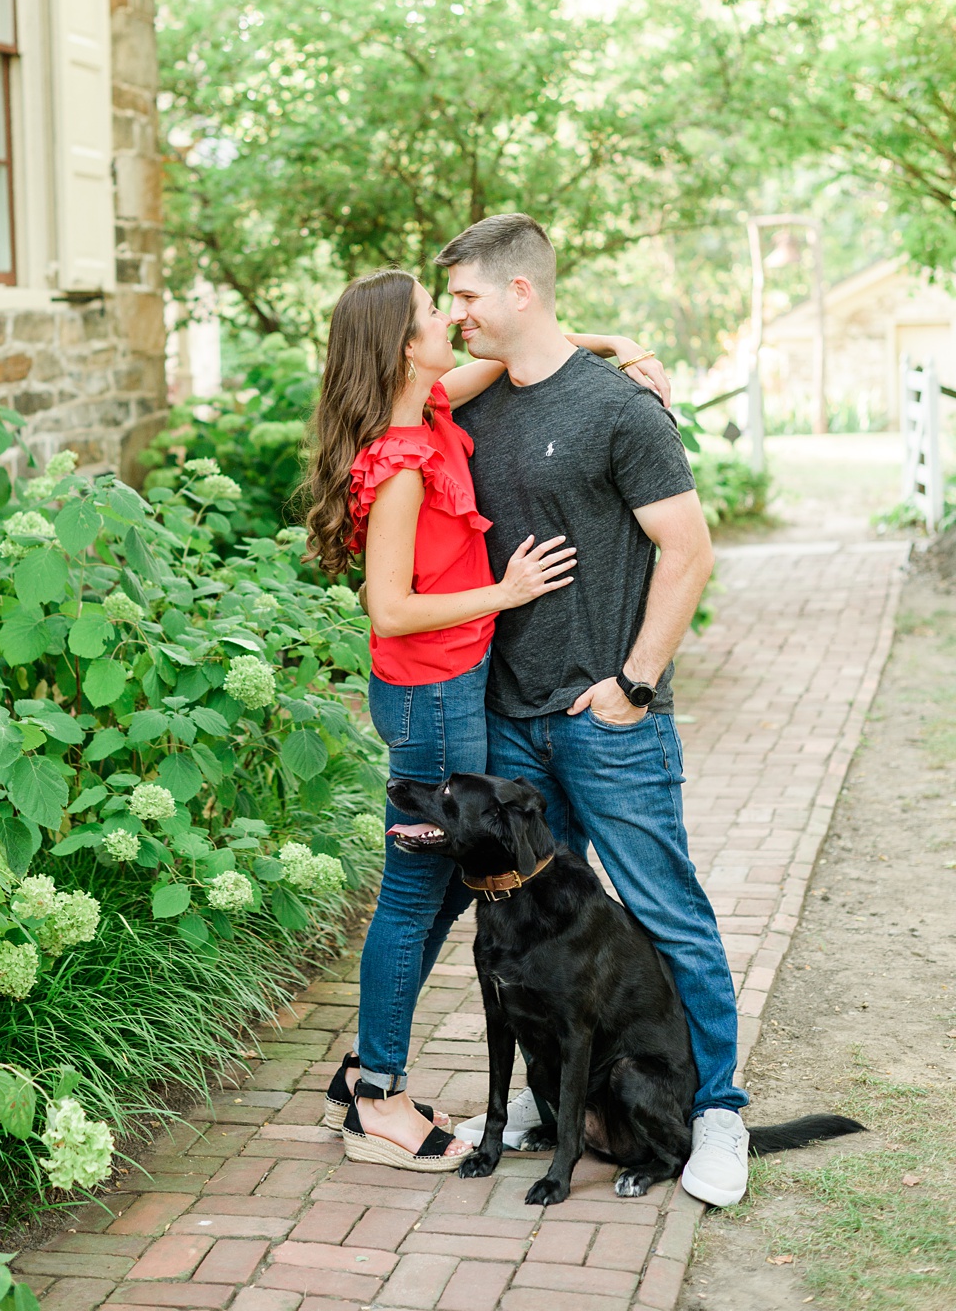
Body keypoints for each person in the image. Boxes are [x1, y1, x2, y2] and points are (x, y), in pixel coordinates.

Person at [302, 269, 653, 1170]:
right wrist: (506, 590)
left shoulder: (427, 410)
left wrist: (607, 347)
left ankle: (364, 1071)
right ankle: (377, 1094)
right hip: (430, 700)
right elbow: (387, 608)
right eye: (432, 316)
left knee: (450, 885)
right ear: (401, 347)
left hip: (449, 691)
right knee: (415, 893)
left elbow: (505, 364)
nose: (450, 324)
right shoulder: (406, 463)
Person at [435, 212, 746, 1206]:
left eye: (468, 297)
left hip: (606, 719)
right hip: (513, 720)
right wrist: (609, 334)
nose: (455, 316)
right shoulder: (475, 409)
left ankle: (719, 1111)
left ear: (520, 291)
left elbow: (687, 548)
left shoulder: (622, 411)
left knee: (666, 912)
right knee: (534, 930)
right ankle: (553, 1101)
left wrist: (635, 683)